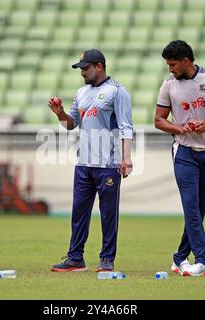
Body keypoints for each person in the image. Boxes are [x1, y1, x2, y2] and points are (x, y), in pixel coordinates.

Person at [48, 49, 133, 272]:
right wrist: (60, 113)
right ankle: (75, 258)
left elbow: (126, 127)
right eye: (81, 69)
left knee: (108, 214)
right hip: (83, 163)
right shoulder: (81, 93)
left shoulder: (117, 91)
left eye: (85, 68)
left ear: (99, 66)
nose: (82, 72)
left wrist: (127, 159)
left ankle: (107, 259)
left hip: (109, 164)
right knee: (79, 213)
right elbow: (70, 125)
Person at [154, 40, 205, 276]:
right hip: (184, 152)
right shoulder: (168, 86)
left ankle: (179, 258)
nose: (170, 69)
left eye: (173, 64)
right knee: (191, 208)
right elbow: (159, 120)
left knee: (199, 208)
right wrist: (181, 128)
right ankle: (202, 261)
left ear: (186, 61)